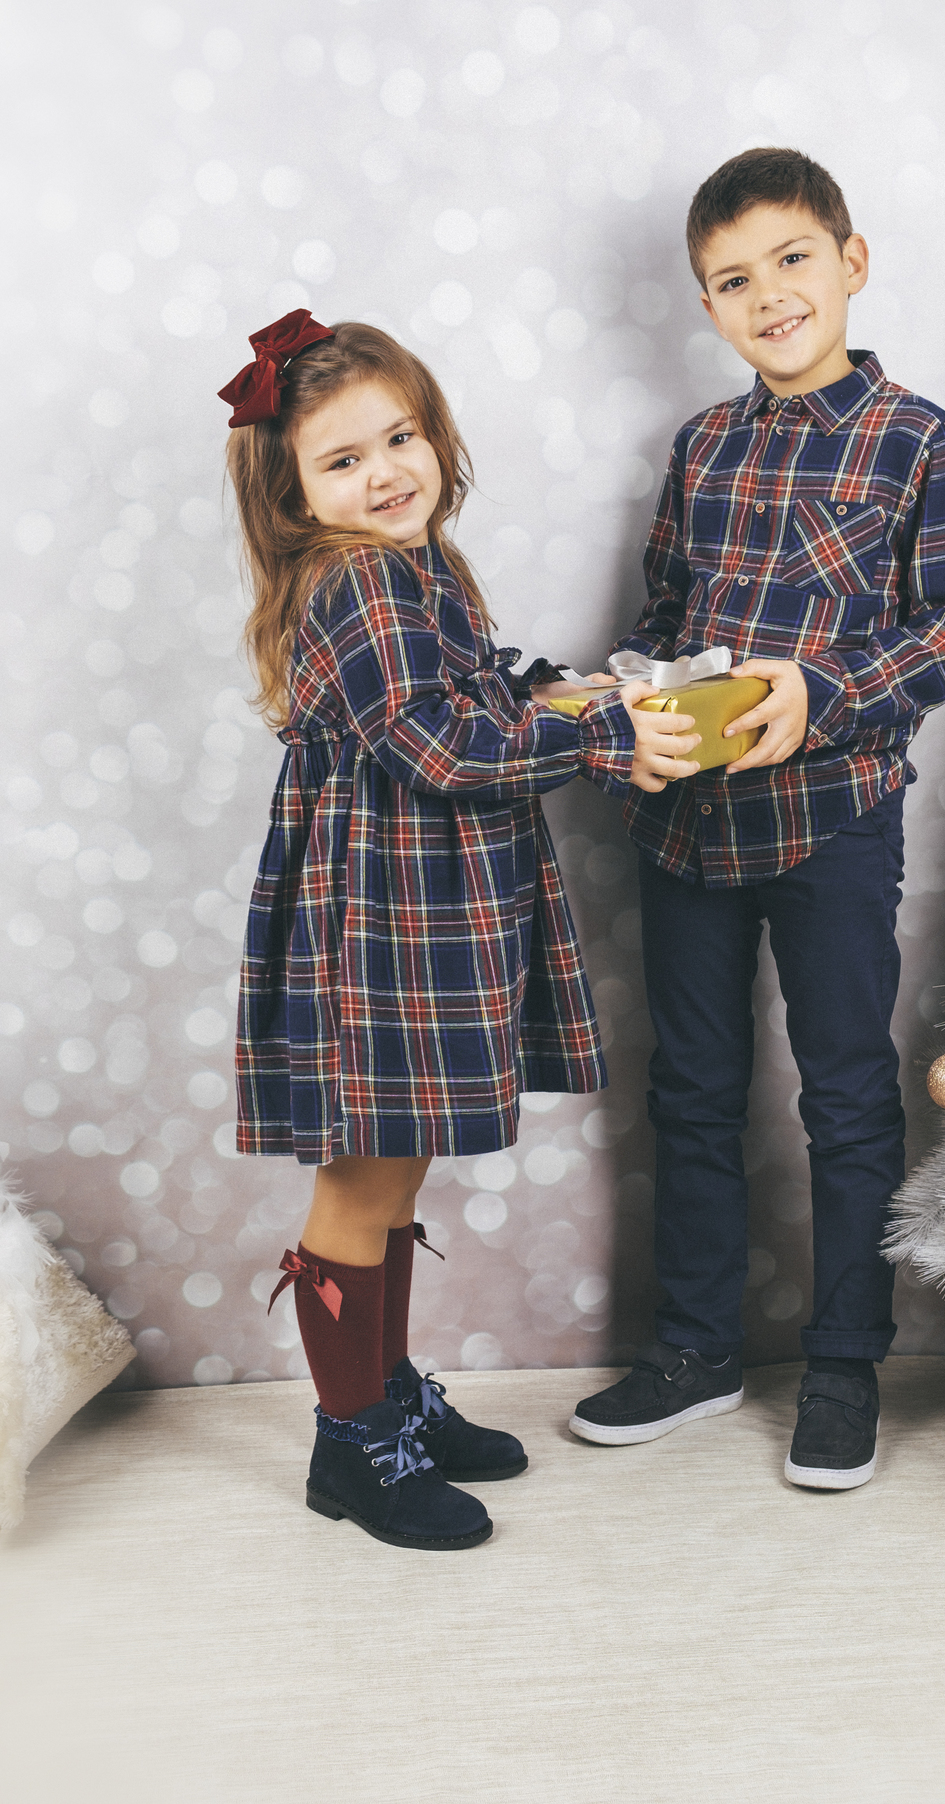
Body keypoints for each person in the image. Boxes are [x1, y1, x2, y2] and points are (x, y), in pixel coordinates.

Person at [220, 312, 700, 1549]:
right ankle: (352, 1446)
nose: (385, 471)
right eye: (342, 461)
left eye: (400, 435)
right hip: (381, 931)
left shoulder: (418, 560)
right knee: (360, 1179)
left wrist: (566, 692)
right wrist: (601, 740)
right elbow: (437, 744)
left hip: (427, 915)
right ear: (293, 494)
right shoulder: (359, 580)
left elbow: (468, 688)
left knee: (397, 1168)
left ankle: (384, 1399)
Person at [570, 148, 945, 1489]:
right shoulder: (702, 447)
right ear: (707, 306)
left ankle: (843, 1366)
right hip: (689, 834)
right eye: (732, 281)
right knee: (690, 1091)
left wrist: (823, 692)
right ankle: (693, 1351)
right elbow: (662, 622)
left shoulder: (918, 440)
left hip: (836, 823)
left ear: (851, 262)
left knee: (848, 1095)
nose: (770, 297)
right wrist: (629, 707)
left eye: (792, 261)